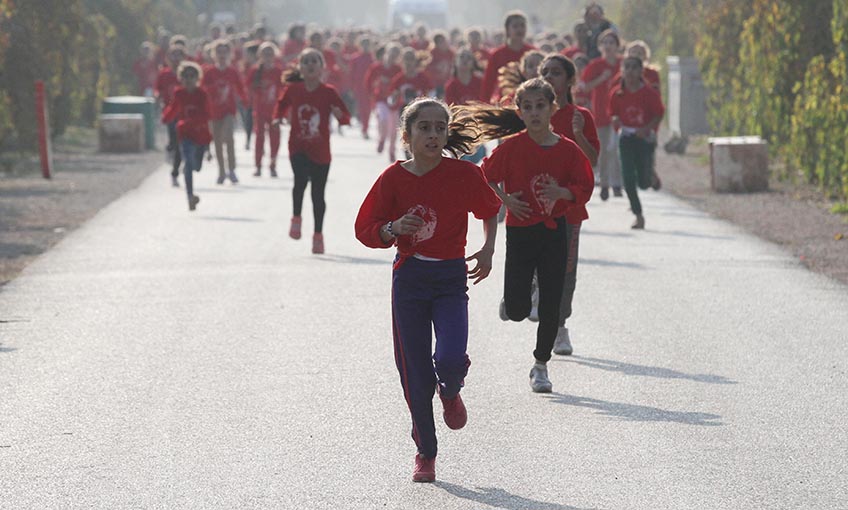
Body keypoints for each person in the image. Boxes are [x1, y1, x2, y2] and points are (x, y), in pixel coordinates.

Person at [354, 97, 500, 483]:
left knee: (450, 358)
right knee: (414, 372)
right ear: (407, 135)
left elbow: (489, 209)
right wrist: (391, 229)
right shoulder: (393, 179)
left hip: (450, 278)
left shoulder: (465, 175)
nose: (433, 134)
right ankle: (426, 452)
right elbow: (366, 227)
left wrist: (487, 249)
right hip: (411, 280)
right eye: (424, 127)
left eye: (440, 127)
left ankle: (451, 390)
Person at [465, 78, 593, 392]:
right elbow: (485, 176)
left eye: (540, 106)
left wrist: (562, 191)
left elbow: (585, 186)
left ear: (553, 108)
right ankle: (515, 298)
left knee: (551, 302)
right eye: (528, 107)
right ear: (519, 112)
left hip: (554, 232)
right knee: (519, 310)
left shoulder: (568, 151)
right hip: (520, 231)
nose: (534, 113)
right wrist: (505, 200)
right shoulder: (512, 148)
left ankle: (540, 365)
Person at [540, 53, 599, 356]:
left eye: (557, 73)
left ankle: (560, 327)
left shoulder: (581, 116)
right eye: (545, 72)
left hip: (570, 208)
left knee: (565, 269)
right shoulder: (534, 112)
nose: (550, 77)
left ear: (569, 80)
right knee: (536, 262)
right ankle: (532, 292)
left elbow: (593, 161)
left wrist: (577, 134)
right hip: (536, 205)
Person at [274, 48, 351, 254]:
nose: (310, 64)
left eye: (314, 61)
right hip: (298, 145)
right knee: (299, 181)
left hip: (321, 151)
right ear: (300, 67)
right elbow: (281, 105)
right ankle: (296, 217)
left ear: (322, 67)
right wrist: (278, 117)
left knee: (318, 194)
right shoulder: (294, 89)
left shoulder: (329, 92)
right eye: (306, 61)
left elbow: (346, 117)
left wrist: (339, 115)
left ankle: (318, 234)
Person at [609, 56, 665, 230]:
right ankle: (638, 215)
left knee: (643, 182)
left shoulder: (649, 93)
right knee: (628, 178)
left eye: (634, 68)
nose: (631, 72)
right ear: (622, 71)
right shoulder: (617, 93)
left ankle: (650, 177)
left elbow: (659, 114)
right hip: (626, 137)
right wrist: (616, 120)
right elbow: (613, 113)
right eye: (627, 68)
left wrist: (647, 128)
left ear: (641, 71)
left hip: (644, 139)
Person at [161, 61, 212, 212]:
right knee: (188, 162)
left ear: (198, 78)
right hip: (186, 134)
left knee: (197, 166)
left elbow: (207, 114)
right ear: (181, 78)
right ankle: (190, 196)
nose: (189, 79)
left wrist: (196, 121)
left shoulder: (202, 94)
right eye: (185, 76)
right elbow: (174, 108)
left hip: (200, 134)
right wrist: (166, 118)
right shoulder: (179, 93)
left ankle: (190, 182)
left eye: (192, 76)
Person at [579, 28, 623, 200]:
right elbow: (584, 87)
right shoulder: (595, 65)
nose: (608, 46)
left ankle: (617, 183)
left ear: (617, 46)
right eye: (605, 42)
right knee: (603, 150)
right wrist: (601, 79)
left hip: (619, 114)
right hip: (600, 113)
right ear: (600, 46)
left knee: (615, 149)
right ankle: (605, 184)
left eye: (611, 42)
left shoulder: (622, 64)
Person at [202, 39, 247, 185]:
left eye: (225, 52)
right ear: (214, 54)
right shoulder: (209, 72)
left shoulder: (232, 71)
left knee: (228, 137)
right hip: (213, 111)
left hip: (229, 110)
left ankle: (232, 170)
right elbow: (202, 90)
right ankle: (221, 171)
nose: (222, 55)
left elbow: (240, 87)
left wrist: (245, 101)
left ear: (229, 54)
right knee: (217, 142)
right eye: (219, 52)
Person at [480, 10, 535, 103]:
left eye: (522, 25)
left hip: (531, 103)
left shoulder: (533, 53)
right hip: (505, 103)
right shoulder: (497, 55)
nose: (519, 29)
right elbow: (488, 84)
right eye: (515, 26)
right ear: (507, 30)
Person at [246, 42, 284, 178]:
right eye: (265, 54)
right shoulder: (255, 71)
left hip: (275, 111)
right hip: (260, 110)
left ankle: (273, 164)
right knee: (259, 138)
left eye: (270, 53)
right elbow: (248, 87)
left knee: (275, 139)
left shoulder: (278, 71)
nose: (268, 56)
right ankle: (258, 166)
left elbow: (284, 89)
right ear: (260, 55)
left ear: (275, 55)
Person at [444, 49, 485, 163]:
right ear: (455, 62)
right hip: (459, 127)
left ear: (473, 63)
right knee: (461, 160)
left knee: (478, 158)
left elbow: (484, 104)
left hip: (477, 126)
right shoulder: (451, 85)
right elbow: (451, 109)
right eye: (461, 57)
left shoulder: (480, 81)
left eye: (468, 58)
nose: (465, 61)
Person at [365, 43, 402, 162]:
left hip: (394, 101)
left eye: (396, 55)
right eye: (391, 54)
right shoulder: (377, 67)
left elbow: (402, 82)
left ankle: (392, 150)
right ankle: (381, 139)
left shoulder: (398, 69)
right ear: (386, 53)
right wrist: (371, 92)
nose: (393, 57)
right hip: (380, 99)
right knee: (383, 119)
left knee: (393, 128)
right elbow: (368, 81)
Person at [155, 45, 185, 187]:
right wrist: (158, 97)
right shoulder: (164, 74)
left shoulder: (187, 74)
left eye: (179, 55)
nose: (176, 58)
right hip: (170, 111)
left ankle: (176, 170)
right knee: (174, 139)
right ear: (168, 58)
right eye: (173, 55)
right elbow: (158, 89)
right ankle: (171, 150)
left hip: (185, 113)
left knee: (182, 142)